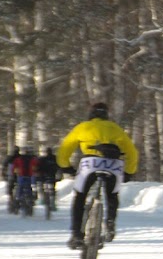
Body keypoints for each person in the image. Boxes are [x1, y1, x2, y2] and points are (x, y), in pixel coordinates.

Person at [57, 102, 139, 249]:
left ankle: (76, 234)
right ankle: (110, 223)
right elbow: (132, 152)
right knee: (112, 195)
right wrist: (129, 172)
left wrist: (66, 167)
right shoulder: (115, 128)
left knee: (80, 197)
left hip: (90, 164)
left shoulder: (83, 127)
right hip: (113, 165)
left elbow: (65, 148)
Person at [1, 146, 21, 212]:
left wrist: (3, 174)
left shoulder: (9, 158)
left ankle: (11, 200)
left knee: (10, 189)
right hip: (19, 176)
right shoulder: (21, 157)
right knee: (18, 188)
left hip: (11, 176)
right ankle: (15, 200)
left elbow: (4, 167)